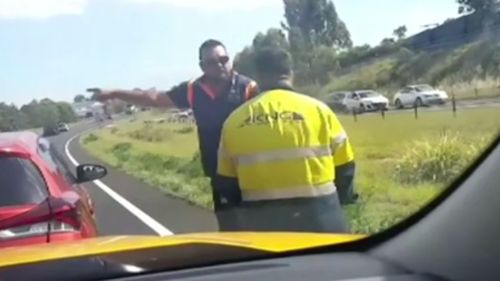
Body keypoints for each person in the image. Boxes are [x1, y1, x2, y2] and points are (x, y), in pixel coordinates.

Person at [87, 39, 259, 231]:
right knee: (232, 231)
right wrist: (115, 93)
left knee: (265, 229)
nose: (220, 65)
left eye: (223, 59)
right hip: (220, 175)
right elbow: (153, 98)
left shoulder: (249, 88)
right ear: (202, 66)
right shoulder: (194, 89)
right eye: (212, 62)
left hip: (252, 171)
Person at [217, 47, 356, 233]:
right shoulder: (319, 110)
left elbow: (227, 183)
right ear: (291, 73)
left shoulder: (234, 121)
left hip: (262, 223)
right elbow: (345, 167)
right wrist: (342, 200)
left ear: (257, 77)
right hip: (322, 217)